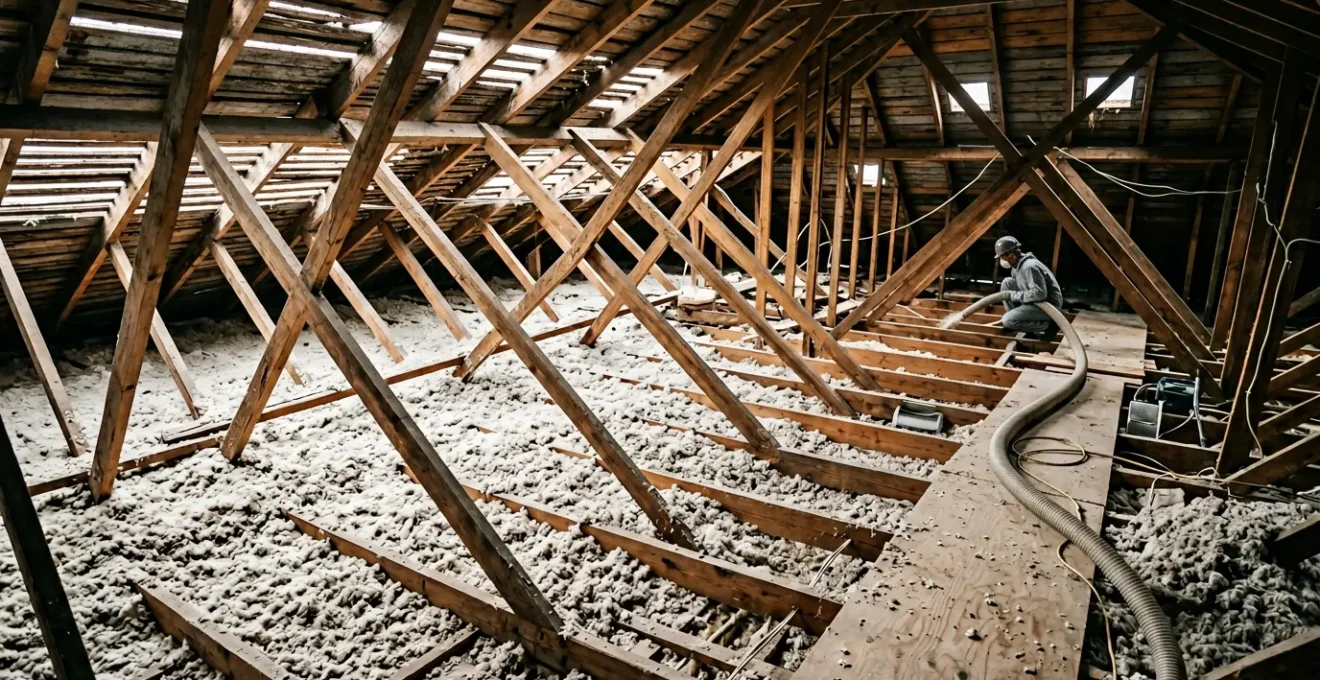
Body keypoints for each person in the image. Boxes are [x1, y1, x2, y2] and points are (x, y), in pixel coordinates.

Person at [995, 235, 1063, 338]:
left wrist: (1015, 295)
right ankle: (1020, 320)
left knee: (1007, 321)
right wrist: (1015, 295)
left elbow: (1039, 294)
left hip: (1049, 306)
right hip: (1035, 301)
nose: (1003, 260)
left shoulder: (1029, 267)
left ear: (1012, 255)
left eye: (1003, 257)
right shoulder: (1016, 266)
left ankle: (1048, 325)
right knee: (1007, 283)